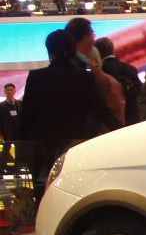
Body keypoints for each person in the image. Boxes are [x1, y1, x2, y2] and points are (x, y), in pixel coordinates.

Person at [20, 30, 120, 198]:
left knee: (42, 194)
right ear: (74, 50)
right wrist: (122, 130)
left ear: (49, 51)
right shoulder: (84, 78)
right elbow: (103, 111)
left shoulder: (36, 77)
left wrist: (22, 145)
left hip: (41, 148)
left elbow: (27, 115)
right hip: (74, 146)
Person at [96, 36, 142, 124]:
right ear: (112, 50)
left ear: (98, 53)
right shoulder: (130, 68)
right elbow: (140, 92)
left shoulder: (101, 74)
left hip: (117, 122)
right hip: (136, 118)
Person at [0, 82, 22, 174]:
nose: (9, 91)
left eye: (11, 90)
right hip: (6, 133)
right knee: (5, 151)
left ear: (14, 91)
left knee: (20, 151)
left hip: (19, 133)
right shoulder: (1, 106)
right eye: (7, 90)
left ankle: (17, 170)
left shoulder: (20, 104)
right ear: (4, 91)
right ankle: (2, 170)